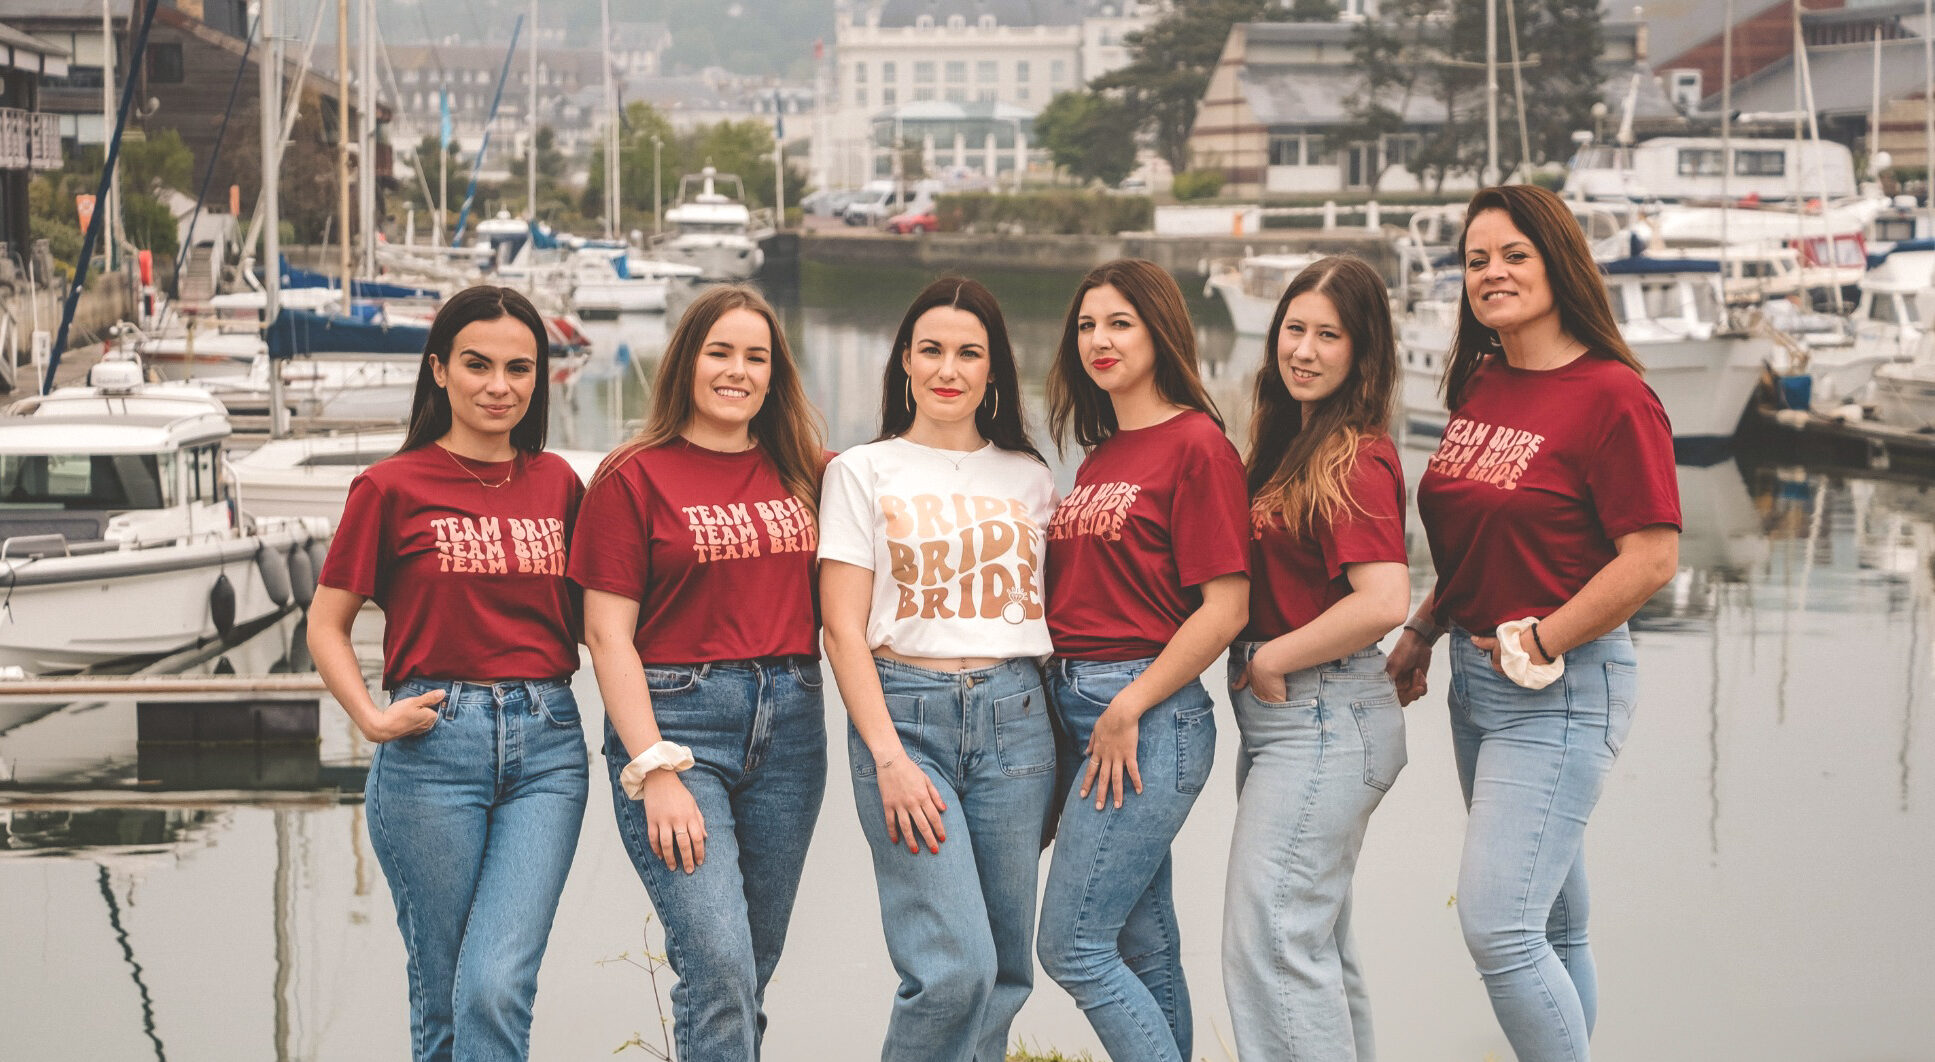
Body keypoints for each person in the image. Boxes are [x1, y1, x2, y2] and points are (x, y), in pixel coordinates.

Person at [1385, 184, 1681, 1061]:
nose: (1492, 273)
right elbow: (1486, 537)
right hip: (1478, 682)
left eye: (1513, 254)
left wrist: (1543, 639)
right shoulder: (1486, 379)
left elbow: (1651, 558)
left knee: (1498, 927)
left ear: (1558, 261)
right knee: (1550, 922)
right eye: (1477, 260)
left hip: (1558, 684)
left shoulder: (1611, 394)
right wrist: (1424, 626)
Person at [309, 285, 586, 1062]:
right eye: (477, 364)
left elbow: (601, 621)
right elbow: (325, 625)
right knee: (443, 996)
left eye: (519, 368)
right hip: (433, 747)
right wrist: (370, 717)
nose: (499, 386)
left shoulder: (559, 483)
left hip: (548, 750)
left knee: (495, 984)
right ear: (439, 370)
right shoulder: (390, 487)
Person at [569, 285, 828, 1062]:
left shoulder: (808, 472)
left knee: (752, 963)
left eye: (756, 357)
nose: (737, 371)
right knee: (716, 961)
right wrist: (653, 768)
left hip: (792, 725)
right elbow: (605, 635)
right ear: (686, 361)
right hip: (677, 726)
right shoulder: (631, 477)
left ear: (775, 376)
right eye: (720, 351)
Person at [819, 276, 1058, 1062]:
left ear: (993, 371)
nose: (947, 368)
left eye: (968, 352)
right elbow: (842, 630)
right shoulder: (861, 470)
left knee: (1005, 972)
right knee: (953, 969)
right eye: (931, 350)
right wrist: (886, 756)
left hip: (1018, 725)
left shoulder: (1028, 476)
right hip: (906, 719)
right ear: (905, 363)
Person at [1036, 258, 1251, 1062]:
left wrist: (1129, 705)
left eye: (1119, 322)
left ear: (1160, 331)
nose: (1099, 340)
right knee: (1142, 944)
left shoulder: (1196, 446)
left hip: (1144, 716)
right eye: (1087, 325)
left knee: (1072, 948)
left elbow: (1225, 607)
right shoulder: (1101, 454)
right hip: (1083, 708)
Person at [1222, 256, 1412, 1062]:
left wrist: (1272, 659)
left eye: (1326, 336)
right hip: (1298, 724)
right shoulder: (1291, 444)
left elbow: (1382, 600)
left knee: (1268, 945)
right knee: (1312, 946)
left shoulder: (1354, 458)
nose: (1302, 350)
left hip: (1321, 716)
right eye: (1292, 330)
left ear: (1360, 352)